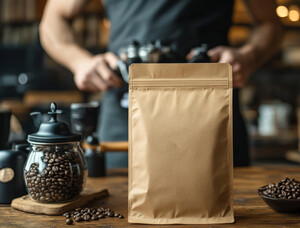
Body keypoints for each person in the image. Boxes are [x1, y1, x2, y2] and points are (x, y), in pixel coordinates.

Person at [40, 0, 283, 167]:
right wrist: (79, 62)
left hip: (210, 115)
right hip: (126, 121)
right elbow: (53, 19)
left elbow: (270, 23)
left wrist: (248, 57)